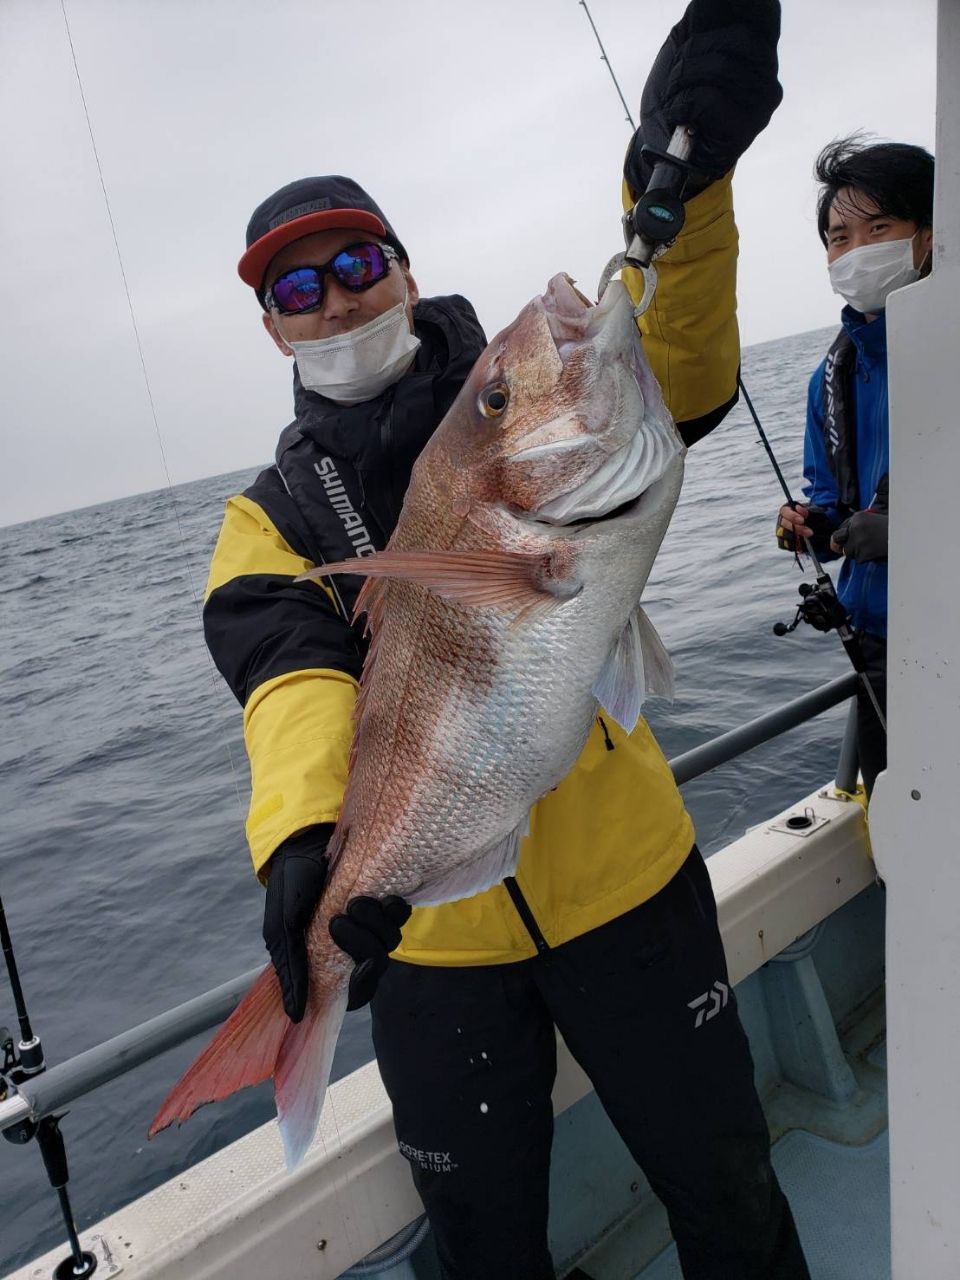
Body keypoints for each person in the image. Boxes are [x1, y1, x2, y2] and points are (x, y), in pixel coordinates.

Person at [203, 3, 809, 1276]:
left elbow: (683, 369)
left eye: (360, 264)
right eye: (297, 288)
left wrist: (691, 197)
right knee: (484, 1251)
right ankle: (294, 1024)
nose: (337, 300)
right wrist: (306, 849)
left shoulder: (519, 381)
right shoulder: (268, 520)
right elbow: (289, 678)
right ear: (271, 326)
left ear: (408, 270)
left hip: (630, 883)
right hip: (430, 943)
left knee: (728, 1185)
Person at [776, 136, 935, 797]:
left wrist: (907, 537)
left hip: (944, 633)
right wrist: (811, 524)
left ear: (929, 234)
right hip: (874, 649)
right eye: (838, 237)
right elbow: (836, 502)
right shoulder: (830, 378)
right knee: (896, 827)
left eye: (879, 228)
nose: (855, 251)